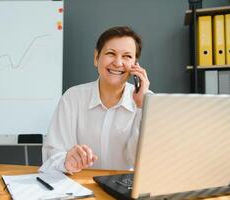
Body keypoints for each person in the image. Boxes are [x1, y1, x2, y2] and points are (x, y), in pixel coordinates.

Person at [39, 26, 150, 174]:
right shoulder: (73, 97)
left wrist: (143, 107)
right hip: (79, 187)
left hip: (125, 189)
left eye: (127, 56)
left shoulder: (148, 101)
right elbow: (51, 155)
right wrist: (66, 161)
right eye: (111, 53)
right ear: (96, 57)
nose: (118, 63)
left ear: (135, 64)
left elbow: (143, 161)